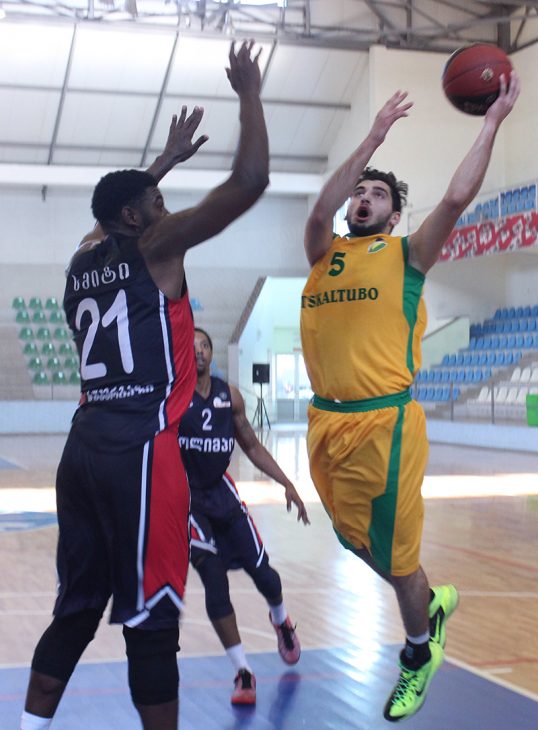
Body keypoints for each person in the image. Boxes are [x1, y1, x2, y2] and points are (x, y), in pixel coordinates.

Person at [20, 41, 269, 730]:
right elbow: (249, 181)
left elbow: (107, 215)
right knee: (154, 620)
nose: (166, 208)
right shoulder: (156, 247)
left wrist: (160, 164)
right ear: (136, 220)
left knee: (76, 608)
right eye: (158, 202)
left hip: (82, 447)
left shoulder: (80, 263)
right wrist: (250, 94)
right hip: (142, 447)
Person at [300, 72, 520, 723]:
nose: (363, 199)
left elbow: (455, 198)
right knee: (357, 542)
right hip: (325, 423)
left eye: (377, 195)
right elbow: (316, 211)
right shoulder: (323, 252)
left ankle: (419, 653)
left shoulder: (408, 256)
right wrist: (372, 138)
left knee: (396, 559)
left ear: (393, 216)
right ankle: (432, 600)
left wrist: (492, 123)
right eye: (359, 193)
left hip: (384, 424)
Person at [178, 327, 309, 705]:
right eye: (192, 346)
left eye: (205, 345)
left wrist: (287, 482)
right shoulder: (173, 398)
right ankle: (243, 671)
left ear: (212, 352)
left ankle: (281, 620)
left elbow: (250, 445)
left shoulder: (229, 396)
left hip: (223, 494)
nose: (199, 351)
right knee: (215, 583)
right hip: (190, 502)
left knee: (264, 574)